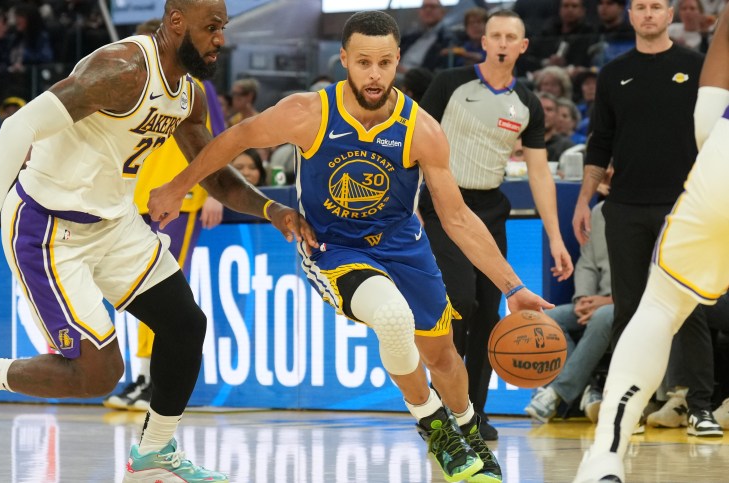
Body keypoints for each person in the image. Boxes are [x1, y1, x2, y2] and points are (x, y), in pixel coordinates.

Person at [149, 11, 556, 483]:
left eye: (384, 63)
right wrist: (179, 186)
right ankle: (435, 426)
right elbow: (233, 139)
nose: (374, 74)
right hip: (334, 248)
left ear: (398, 60)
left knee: (443, 357)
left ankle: (466, 431)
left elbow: (458, 217)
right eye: (363, 62)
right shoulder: (307, 112)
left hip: (405, 247)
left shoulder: (421, 129)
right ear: (344, 60)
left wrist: (513, 287)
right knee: (392, 318)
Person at [0, 2, 310, 482]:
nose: (220, 40)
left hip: (115, 222)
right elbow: (20, 125)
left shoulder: (186, 95)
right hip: (48, 228)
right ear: (175, 23)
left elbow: (215, 176)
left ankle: (152, 457)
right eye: (211, 28)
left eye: (223, 29)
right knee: (98, 374)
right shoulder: (121, 70)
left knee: (185, 325)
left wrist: (272, 209)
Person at [573, 3, 729, 481]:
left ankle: (607, 453)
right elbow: (600, 141)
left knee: (664, 309)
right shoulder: (615, 72)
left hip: (709, 170)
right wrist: (584, 199)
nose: (647, 13)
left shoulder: (693, 64)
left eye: (655, 4)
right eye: (639, 5)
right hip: (634, 203)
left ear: (669, 12)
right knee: (635, 308)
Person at [418, 9, 574, 441]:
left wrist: (557, 237)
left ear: (523, 46)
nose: (503, 43)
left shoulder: (528, 102)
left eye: (512, 37)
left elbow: (541, 174)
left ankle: (473, 413)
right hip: (441, 203)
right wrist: (409, 200)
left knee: (490, 315)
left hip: (489, 208)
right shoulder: (449, 84)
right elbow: (411, 138)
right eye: (496, 36)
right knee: (461, 301)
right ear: (483, 42)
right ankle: (442, 404)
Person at [103, 16, 227, 411]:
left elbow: (220, 144)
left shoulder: (196, 89)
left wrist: (214, 193)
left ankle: (148, 380)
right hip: (131, 202)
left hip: (175, 204)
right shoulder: (128, 94)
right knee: (135, 295)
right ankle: (141, 377)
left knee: (159, 293)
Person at [525, 201, 613, 424]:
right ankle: (588, 391)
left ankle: (555, 394)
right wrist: (583, 298)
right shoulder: (600, 211)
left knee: (603, 317)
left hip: (632, 303)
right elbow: (587, 263)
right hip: (596, 300)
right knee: (546, 319)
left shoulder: (653, 210)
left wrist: (610, 300)